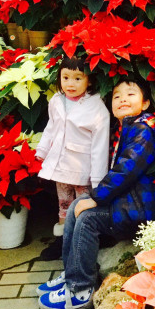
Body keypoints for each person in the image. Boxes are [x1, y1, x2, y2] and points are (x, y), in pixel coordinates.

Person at [36, 76, 155, 309]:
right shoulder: (124, 129)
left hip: (136, 208)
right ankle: (72, 274)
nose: (123, 98)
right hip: (124, 202)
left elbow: (127, 169)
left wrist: (96, 197)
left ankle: (80, 290)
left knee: (88, 217)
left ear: (145, 103)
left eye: (130, 94)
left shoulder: (143, 131)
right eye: (116, 96)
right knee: (76, 206)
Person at [35, 56, 110, 260]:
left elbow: (100, 146)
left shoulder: (97, 107)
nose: (70, 83)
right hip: (61, 165)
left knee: (82, 207)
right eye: (66, 77)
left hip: (82, 168)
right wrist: (42, 150)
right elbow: (51, 127)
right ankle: (62, 242)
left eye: (78, 78)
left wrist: (98, 179)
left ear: (90, 81)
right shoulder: (57, 101)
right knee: (64, 205)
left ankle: (80, 246)